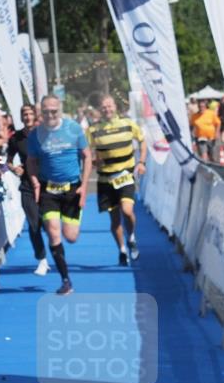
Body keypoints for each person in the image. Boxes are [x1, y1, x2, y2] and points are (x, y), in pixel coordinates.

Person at [26, 94, 92, 296]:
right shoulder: (35, 135)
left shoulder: (73, 128)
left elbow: (87, 156)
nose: (50, 114)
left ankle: (65, 273)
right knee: (53, 232)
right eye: (45, 111)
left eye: (53, 110)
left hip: (72, 188)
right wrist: (36, 182)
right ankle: (66, 280)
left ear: (59, 109)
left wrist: (84, 185)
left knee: (70, 237)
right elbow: (31, 161)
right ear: (41, 112)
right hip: (49, 191)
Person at [86, 95, 147, 266]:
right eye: (104, 107)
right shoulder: (93, 130)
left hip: (125, 176)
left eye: (110, 106)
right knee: (114, 220)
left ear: (115, 107)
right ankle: (121, 249)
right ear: (100, 109)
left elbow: (142, 141)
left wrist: (141, 162)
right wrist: (91, 160)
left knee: (127, 211)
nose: (107, 109)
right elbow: (85, 152)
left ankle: (132, 237)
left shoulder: (127, 124)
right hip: (105, 180)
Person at [6, 104, 48, 274]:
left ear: (35, 116)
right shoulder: (16, 138)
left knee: (46, 222)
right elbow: (8, 160)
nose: (28, 116)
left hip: (46, 183)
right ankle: (42, 259)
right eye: (25, 114)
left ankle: (55, 253)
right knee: (33, 223)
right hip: (27, 185)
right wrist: (15, 168)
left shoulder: (44, 134)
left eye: (31, 113)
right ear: (21, 117)